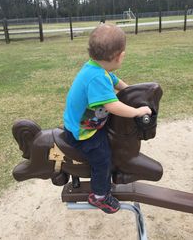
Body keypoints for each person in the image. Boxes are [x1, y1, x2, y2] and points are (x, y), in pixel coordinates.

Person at [63, 24, 151, 214]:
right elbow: (113, 106)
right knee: (102, 159)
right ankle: (99, 196)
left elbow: (117, 82)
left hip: (89, 121)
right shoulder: (96, 78)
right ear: (119, 56)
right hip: (84, 131)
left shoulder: (97, 68)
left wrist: (133, 94)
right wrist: (136, 112)